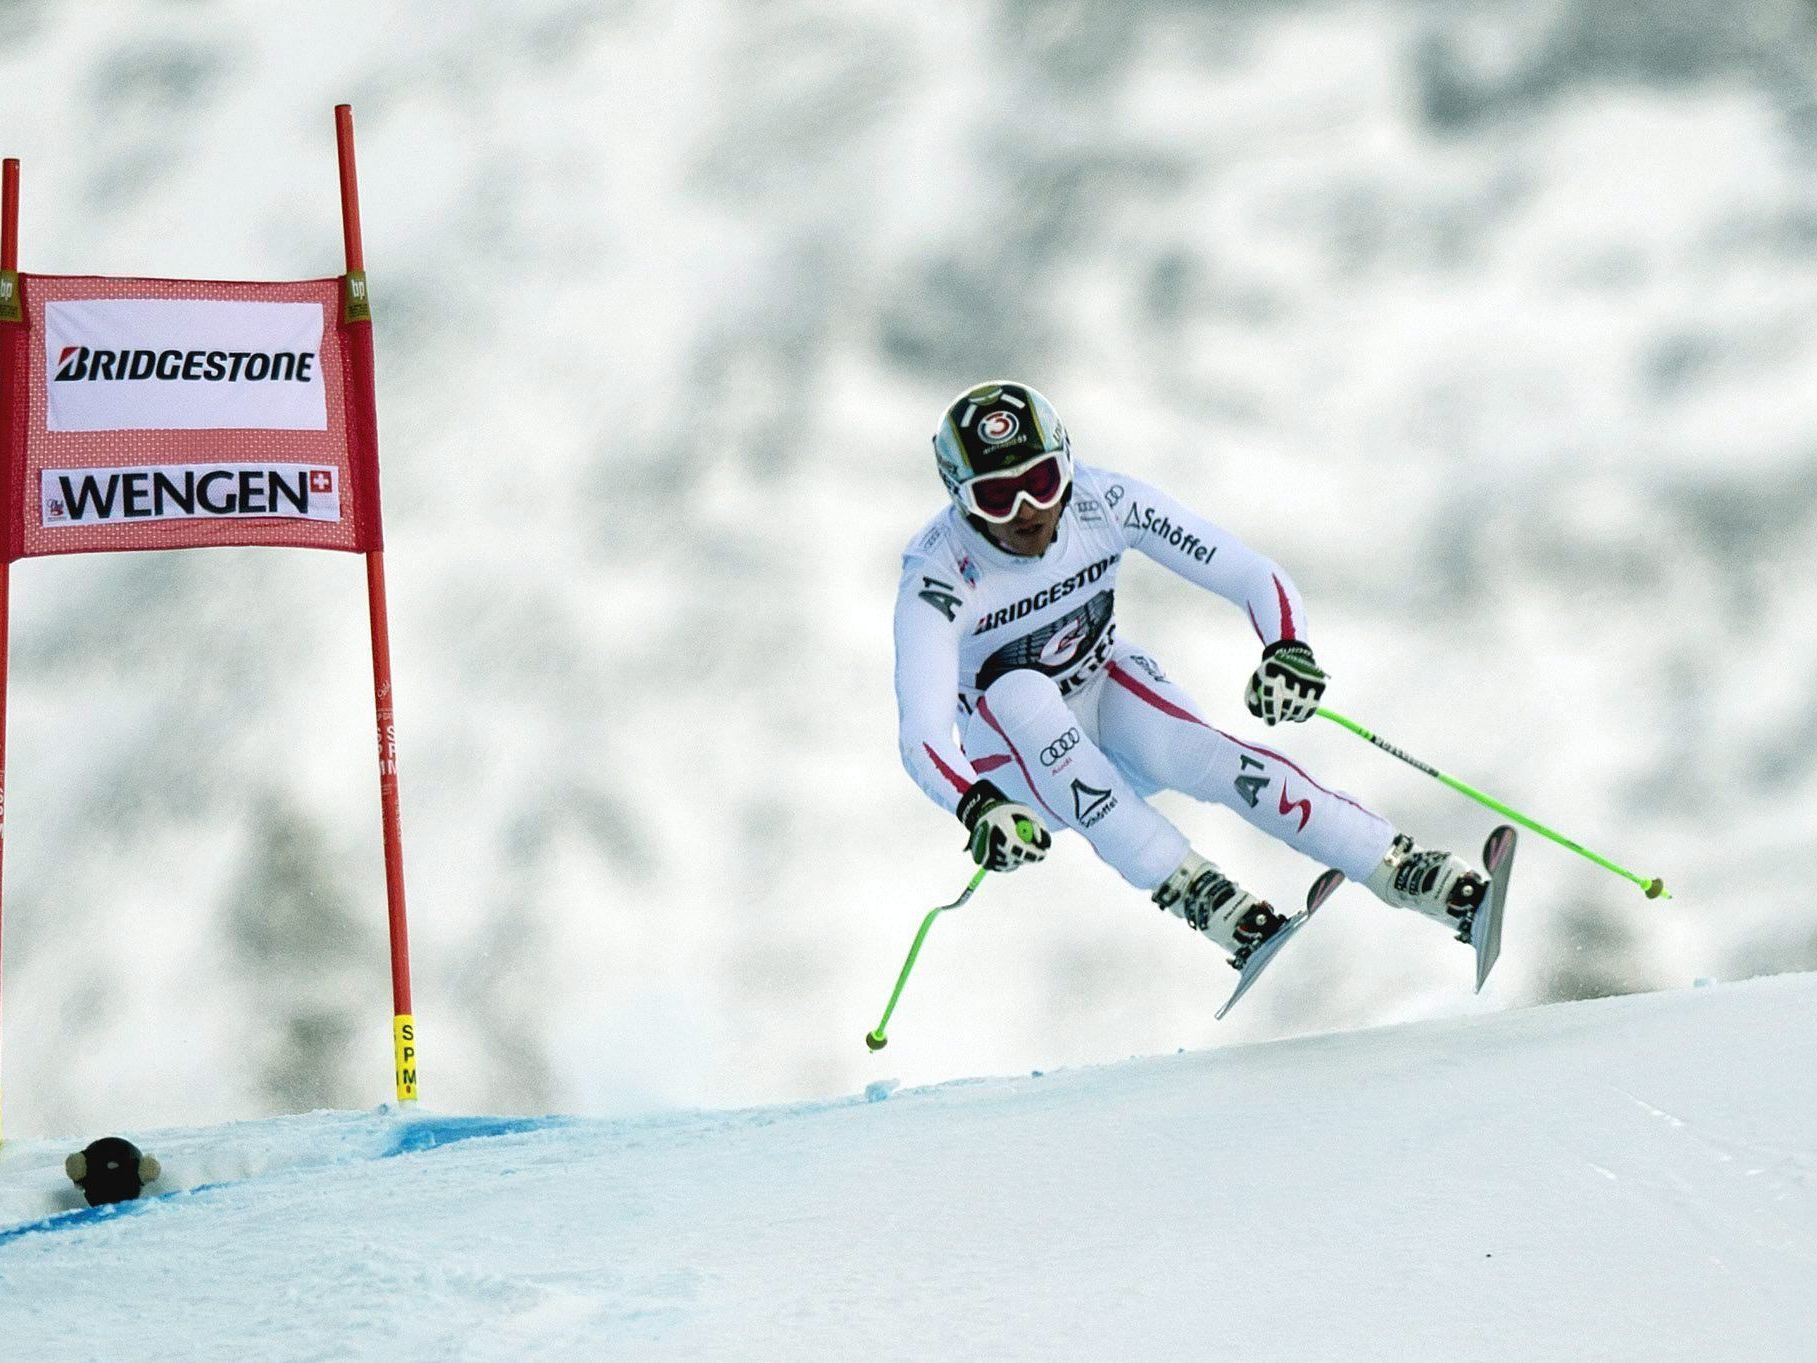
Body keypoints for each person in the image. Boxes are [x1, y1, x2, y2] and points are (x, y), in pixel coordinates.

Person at [893, 380, 1490, 970]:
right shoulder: (939, 575)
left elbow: (1250, 572)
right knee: (1020, 691)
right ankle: (1209, 902)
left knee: (1209, 753)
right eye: (999, 496)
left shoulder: (1103, 502)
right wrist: (977, 806)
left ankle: (1409, 873)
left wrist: (1288, 649)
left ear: (1067, 466)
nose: (1029, 510)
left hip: (1101, 695)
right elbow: (922, 734)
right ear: (961, 498)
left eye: (1042, 481)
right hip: (1016, 769)